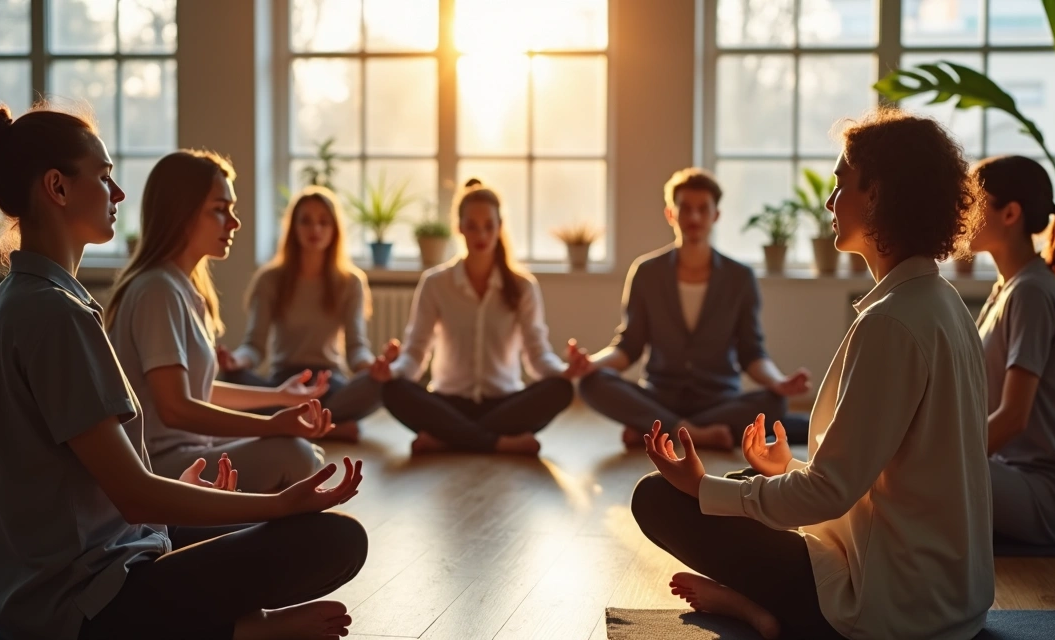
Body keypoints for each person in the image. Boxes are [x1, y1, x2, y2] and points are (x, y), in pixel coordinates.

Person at [0, 101, 367, 640]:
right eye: (104, 178)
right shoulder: (54, 312)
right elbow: (135, 494)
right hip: (83, 603)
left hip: (52, 582)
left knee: (281, 526)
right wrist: (278, 500)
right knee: (332, 540)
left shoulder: (19, 300)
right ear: (57, 188)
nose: (118, 194)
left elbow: (91, 484)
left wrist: (170, 504)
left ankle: (232, 622)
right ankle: (241, 629)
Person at [630, 109, 994, 639]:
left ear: (877, 196)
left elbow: (829, 494)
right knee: (741, 487)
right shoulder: (943, 302)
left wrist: (702, 487)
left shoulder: (892, 321)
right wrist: (784, 468)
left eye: (841, 183)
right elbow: (884, 473)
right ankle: (757, 601)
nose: (829, 201)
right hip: (950, 595)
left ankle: (762, 610)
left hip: (899, 609)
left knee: (661, 497)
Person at [105, 151, 335, 493]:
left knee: (304, 456)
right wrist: (271, 426)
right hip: (162, 465)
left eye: (231, 209)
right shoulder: (156, 290)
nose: (234, 222)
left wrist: (277, 397)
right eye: (219, 209)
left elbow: (200, 390)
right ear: (181, 214)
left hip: (194, 451)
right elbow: (175, 409)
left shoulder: (181, 288)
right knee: (296, 456)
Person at [575, 168, 811, 450]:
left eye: (703, 209)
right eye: (685, 209)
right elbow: (629, 346)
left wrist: (779, 382)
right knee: (591, 384)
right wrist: (591, 365)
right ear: (670, 214)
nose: (694, 218)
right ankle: (693, 433)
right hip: (660, 395)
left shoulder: (740, 277)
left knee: (775, 402)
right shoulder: (646, 272)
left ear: (716, 215)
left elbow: (751, 352)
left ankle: (656, 429)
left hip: (718, 399)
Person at [375, 179, 585, 455]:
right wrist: (392, 371)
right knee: (392, 390)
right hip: (448, 402)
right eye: (472, 226)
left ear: (500, 227)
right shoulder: (435, 283)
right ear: (459, 227)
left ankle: (449, 438)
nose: (481, 234)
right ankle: (497, 442)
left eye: (489, 225)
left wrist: (563, 371)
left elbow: (536, 355)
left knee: (561, 390)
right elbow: (415, 353)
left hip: (503, 404)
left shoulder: (523, 286)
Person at [970, 155, 1055, 545]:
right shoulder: (1007, 288)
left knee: (919, 470)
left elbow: (1012, 418)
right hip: (1007, 475)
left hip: (1045, 497)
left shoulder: (1031, 292)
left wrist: (943, 455)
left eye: (973, 202)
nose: (961, 212)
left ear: (1010, 213)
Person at [218, 185, 397, 442]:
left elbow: (357, 349)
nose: (315, 230)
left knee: (386, 384)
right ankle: (330, 426)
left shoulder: (350, 281)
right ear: (293, 228)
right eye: (306, 222)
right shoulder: (270, 279)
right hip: (283, 384)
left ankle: (296, 424)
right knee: (231, 378)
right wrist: (236, 361)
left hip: (329, 383)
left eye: (324, 222)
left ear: (335, 230)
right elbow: (254, 347)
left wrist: (376, 367)